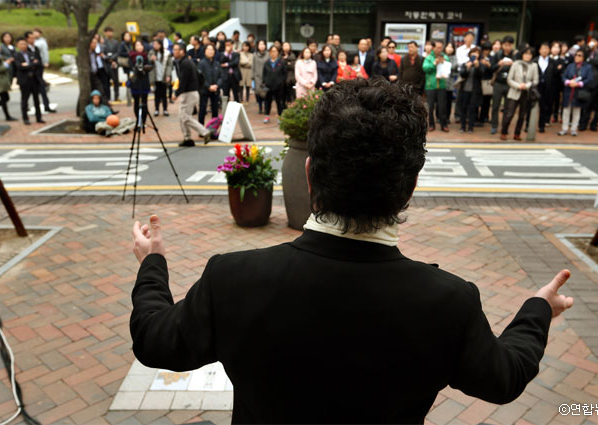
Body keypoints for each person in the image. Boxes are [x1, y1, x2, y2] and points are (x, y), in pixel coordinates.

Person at [131, 77, 574, 425]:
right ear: (409, 189)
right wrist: (537, 310)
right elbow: (504, 378)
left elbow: (154, 341)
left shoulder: (233, 278)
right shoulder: (448, 301)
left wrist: (153, 264)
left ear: (309, 175)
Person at [172, 43, 211, 147]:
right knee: (182, 117)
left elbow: (183, 81)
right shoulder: (186, 62)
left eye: (176, 49)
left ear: (182, 51)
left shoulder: (185, 63)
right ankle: (187, 138)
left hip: (189, 93)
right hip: (191, 92)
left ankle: (204, 132)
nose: (174, 52)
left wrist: (176, 93)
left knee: (185, 117)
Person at [500, 47, 538, 141]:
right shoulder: (516, 64)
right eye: (526, 54)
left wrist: (527, 85)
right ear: (522, 55)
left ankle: (517, 134)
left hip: (526, 93)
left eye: (529, 54)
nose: (527, 56)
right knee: (509, 114)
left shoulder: (534, 66)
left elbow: (535, 80)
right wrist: (518, 86)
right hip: (514, 91)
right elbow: (509, 79)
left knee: (522, 115)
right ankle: (504, 132)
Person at [558, 49, 593, 137]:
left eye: (579, 55)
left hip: (579, 92)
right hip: (569, 91)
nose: (577, 57)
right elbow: (564, 76)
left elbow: (589, 79)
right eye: (576, 55)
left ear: (584, 57)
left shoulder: (588, 67)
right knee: (566, 110)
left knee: (577, 111)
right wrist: (568, 82)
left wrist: (579, 83)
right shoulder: (570, 66)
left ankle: (574, 129)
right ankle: (564, 128)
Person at [14, 38, 43, 125]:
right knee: (25, 100)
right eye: (21, 44)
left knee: (36, 99)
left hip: (34, 80)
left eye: (24, 44)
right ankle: (25, 118)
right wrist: (31, 64)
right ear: (17, 45)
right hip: (24, 81)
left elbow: (38, 63)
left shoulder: (31, 54)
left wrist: (27, 64)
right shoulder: (16, 55)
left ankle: (39, 117)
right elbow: (19, 67)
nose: (23, 45)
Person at [422, 40, 450, 132]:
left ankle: (444, 124)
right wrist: (434, 63)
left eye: (441, 47)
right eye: (437, 47)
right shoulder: (429, 57)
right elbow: (425, 68)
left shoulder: (445, 56)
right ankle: (431, 124)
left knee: (442, 107)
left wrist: (443, 62)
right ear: (433, 47)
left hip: (441, 85)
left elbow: (448, 67)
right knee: (430, 107)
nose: (439, 49)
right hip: (430, 86)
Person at [490, 35, 515, 134]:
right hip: (498, 83)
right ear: (502, 45)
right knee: (495, 106)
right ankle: (494, 126)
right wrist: (499, 64)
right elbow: (491, 68)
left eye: (509, 45)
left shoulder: (515, 55)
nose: (507, 47)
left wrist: (512, 64)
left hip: (510, 84)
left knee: (508, 107)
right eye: (505, 45)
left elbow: (518, 68)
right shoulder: (497, 55)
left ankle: (505, 127)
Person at [26, 31, 55, 113]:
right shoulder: (26, 49)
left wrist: (37, 63)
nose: (33, 40)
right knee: (28, 92)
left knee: (43, 90)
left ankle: (46, 106)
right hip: (30, 74)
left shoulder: (36, 48)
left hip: (38, 72)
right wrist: (33, 63)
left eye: (34, 38)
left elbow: (39, 60)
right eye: (31, 38)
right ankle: (26, 107)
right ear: (27, 39)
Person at [457, 47, 484, 133]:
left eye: (477, 53)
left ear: (479, 55)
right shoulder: (465, 64)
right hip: (464, 90)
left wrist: (477, 66)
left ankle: (471, 127)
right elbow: (462, 74)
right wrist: (467, 68)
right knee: (463, 108)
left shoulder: (480, 65)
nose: (475, 54)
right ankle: (463, 126)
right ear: (469, 54)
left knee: (472, 109)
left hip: (475, 91)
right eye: (473, 52)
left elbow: (482, 74)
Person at [197, 44, 223, 125]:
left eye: (212, 49)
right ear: (205, 51)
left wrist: (217, 85)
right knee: (202, 109)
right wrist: (208, 86)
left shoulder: (217, 64)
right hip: (204, 90)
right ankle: (201, 128)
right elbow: (200, 77)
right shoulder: (201, 63)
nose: (210, 51)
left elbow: (221, 77)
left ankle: (213, 128)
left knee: (215, 110)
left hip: (215, 90)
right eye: (208, 49)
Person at [535, 42, 557, 133]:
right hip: (536, 86)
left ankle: (542, 125)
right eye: (542, 48)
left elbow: (555, 75)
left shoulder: (553, 62)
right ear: (539, 50)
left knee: (544, 107)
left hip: (547, 88)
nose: (544, 50)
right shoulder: (535, 60)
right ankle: (528, 125)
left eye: (546, 48)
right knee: (531, 106)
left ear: (549, 50)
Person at [128, 40, 152, 123]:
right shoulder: (131, 56)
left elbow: (150, 67)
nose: (139, 47)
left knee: (144, 102)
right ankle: (138, 120)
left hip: (144, 81)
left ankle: (144, 121)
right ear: (134, 47)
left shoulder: (146, 56)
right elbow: (130, 67)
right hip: (135, 82)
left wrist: (146, 68)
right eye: (137, 45)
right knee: (136, 102)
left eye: (141, 45)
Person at [262, 45, 286, 124]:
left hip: (278, 86)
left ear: (278, 52)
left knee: (279, 102)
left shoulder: (281, 63)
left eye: (275, 51)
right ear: (269, 52)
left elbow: (284, 74)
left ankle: (280, 116)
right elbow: (264, 74)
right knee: (267, 102)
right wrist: (265, 82)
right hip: (268, 86)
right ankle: (267, 116)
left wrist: (281, 82)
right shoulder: (266, 63)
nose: (273, 53)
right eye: (272, 51)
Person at [149, 39, 173, 117]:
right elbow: (148, 62)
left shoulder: (166, 53)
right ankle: (156, 109)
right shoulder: (151, 52)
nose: (155, 45)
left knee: (164, 94)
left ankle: (165, 109)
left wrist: (168, 75)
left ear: (160, 45)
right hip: (155, 77)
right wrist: (151, 59)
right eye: (154, 44)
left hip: (163, 76)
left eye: (157, 44)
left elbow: (169, 65)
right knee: (156, 95)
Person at [101, 26, 120, 102]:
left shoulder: (116, 42)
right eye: (108, 32)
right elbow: (102, 53)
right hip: (106, 64)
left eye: (111, 31)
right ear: (105, 33)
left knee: (116, 80)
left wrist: (113, 59)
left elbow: (118, 52)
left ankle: (116, 96)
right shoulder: (103, 42)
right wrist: (109, 60)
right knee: (107, 82)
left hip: (114, 63)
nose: (109, 33)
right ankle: (107, 97)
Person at [0, 43, 15, 121]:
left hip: (2, 80)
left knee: (5, 98)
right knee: (4, 98)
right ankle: (7, 116)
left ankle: (7, 116)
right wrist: (7, 63)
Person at [549, 41, 566, 124]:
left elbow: (561, 72)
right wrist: (557, 68)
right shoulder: (547, 59)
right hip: (547, 83)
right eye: (554, 47)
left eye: (558, 47)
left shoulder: (561, 60)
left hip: (557, 84)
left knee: (556, 100)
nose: (556, 49)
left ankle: (555, 116)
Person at [252, 39, 269, 114]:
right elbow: (253, 66)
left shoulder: (268, 54)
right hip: (257, 77)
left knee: (266, 93)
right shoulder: (255, 55)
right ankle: (260, 107)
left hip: (266, 77)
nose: (261, 46)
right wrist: (252, 77)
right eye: (260, 44)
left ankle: (266, 108)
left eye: (263, 44)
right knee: (258, 93)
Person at [444, 42, 459, 124]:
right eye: (448, 46)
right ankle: (439, 116)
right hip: (441, 82)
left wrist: (444, 63)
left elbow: (454, 67)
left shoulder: (455, 58)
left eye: (451, 47)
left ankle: (447, 117)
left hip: (450, 83)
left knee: (448, 101)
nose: (449, 48)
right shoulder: (441, 55)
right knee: (440, 101)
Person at [118, 31, 133, 105]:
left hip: (130, 64)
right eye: (126, 36)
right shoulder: (122, 44)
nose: (128, 37)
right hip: (126, 64)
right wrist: (129, 53)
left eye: (129, 36)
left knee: (130, 80)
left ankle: (130, 96)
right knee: (129, 81)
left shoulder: (130, 44)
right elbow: (120, 53)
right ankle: (129, 98)